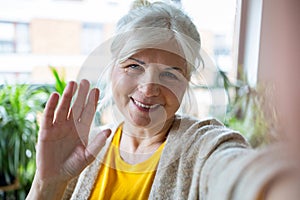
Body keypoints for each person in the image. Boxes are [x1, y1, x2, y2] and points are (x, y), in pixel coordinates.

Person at [26, 0, 299, 199]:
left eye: (170, 74)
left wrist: (278, 184)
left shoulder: (202, 144)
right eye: (134, 66)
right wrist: (46, 182)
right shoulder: (89, 148)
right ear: (112, 68)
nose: (148, 88)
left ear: (187, 81)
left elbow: (234, 172)